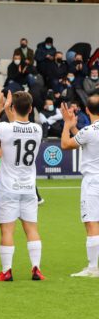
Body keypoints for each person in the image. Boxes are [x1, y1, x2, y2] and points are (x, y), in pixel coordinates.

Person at [0, 90, 45, 282]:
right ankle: (36, 268)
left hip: (8, 187)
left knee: (7, 231)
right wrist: (11, 109)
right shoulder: (38, 130)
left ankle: (7, 271)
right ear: (30, 109)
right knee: (32, 229)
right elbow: (19, 127)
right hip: (29, 188)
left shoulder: (5, 128)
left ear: (13, 108)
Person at [60, 96, 99, 276]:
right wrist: (74, 127)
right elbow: (83, 138)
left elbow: (66, 144)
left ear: (87, 110)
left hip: (93, 182)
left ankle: (92, 268)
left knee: (91, 223)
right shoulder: (87, 132)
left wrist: (67, 124)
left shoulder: (89, 131)